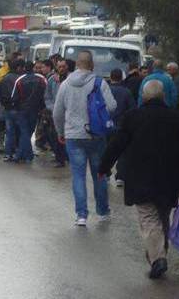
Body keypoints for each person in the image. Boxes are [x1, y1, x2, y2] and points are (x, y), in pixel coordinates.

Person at [99, 80, 179, 279]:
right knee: (162, 217)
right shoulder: (177, 119)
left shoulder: (132, 117)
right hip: (169, 179)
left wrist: (104, 167)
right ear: (163, 97)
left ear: (143, 96)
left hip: (140, 177)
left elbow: (117, 144)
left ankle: (158, 258)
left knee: (149, 218)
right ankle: (158, 255)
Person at [53, 51, 117, 227]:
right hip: (96, 135)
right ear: (92, 65)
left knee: (78, 176)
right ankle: (103, 211)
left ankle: (81, 215)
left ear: (76, 64)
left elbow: (57, 112)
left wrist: (61, 132)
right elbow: (112, 106)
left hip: (73, 135)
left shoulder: (65, 84)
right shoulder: (99, 82)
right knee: (99, 174)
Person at [10, 61, 47, 163]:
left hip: (22, 110)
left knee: (24, 132)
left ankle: (25, 155)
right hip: (35, 110)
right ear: (33, 68)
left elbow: (14, 98)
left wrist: (16, 107)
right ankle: (23, 155)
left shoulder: (20, 80)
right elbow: (46, 95)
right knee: (28, 132)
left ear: (24, 68)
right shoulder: (41, 79)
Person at [108, 68, 136, 186]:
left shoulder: (105, 90)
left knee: (106, 150)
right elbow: (133, 109)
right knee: (123, 152)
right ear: (122, 77)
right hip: (122, 127)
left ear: (110, 77)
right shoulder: (127, 92)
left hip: (107, 126)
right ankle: (121, 177)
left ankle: (106, 174)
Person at [44, 59, 69, 167]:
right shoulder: (52, 80)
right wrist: (52, 107)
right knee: (53, 135)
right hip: (55, 113)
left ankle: (64, 158)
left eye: (63, 66)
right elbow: (47, 96)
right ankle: (59, 157)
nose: (61, 69)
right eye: (59, 66)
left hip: (68, 113)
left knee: (65, 136)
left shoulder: (71, 80)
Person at [0, 59, 25, 162]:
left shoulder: (4, 78)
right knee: (20, 132)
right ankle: (18, 154)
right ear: (18, 67)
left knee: (9, 132)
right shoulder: (20, 79)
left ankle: (8, 154)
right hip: (18, 109)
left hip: (8, 109)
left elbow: (0, 95)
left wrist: (5, 105)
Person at [35, 59, 55, 151]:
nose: (41, 69)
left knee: (45, 126)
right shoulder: (47, 77)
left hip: (48, 107)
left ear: (49, 67)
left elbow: (48, 94)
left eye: (43, 67)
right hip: (46, 106)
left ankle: (44, 143)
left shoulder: (51, 78)